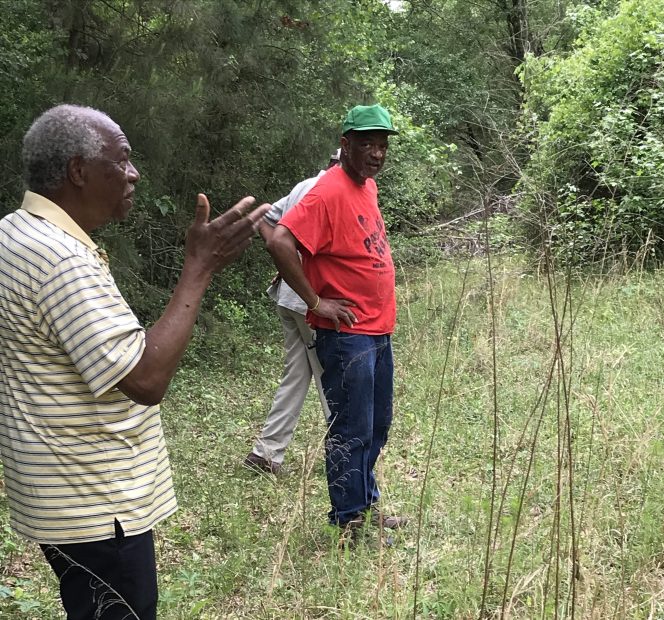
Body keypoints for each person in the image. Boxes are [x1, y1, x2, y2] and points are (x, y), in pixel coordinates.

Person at [0, 104, 269, 619]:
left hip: (56, 493)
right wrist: (199, 268)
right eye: (121, 160)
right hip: (95, 502)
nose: (133, 173)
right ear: (79, 171)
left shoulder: (16, 232)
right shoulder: (60, 258)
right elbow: (145, 379)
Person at [267, 104, 407, 536]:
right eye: (367, 144)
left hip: (377, 328)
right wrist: (315, 300)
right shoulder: (326, 191)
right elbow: (279, 240)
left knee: (377, 423)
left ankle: (365, 503)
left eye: (382, 146)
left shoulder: (365, 188)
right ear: (345, 144)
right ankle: (348, 520)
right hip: (347, 334)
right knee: (352, 425)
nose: (377, 154)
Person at [244, 149, 341, 475]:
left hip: (291, 299)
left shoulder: (305, 185)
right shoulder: (329, 191)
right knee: (335, 376)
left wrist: (287, 267)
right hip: (310, 302)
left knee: (297, 376)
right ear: (337, 164)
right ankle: (344, 456)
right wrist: (293, 270)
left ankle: (265, 454)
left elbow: (265, 220)